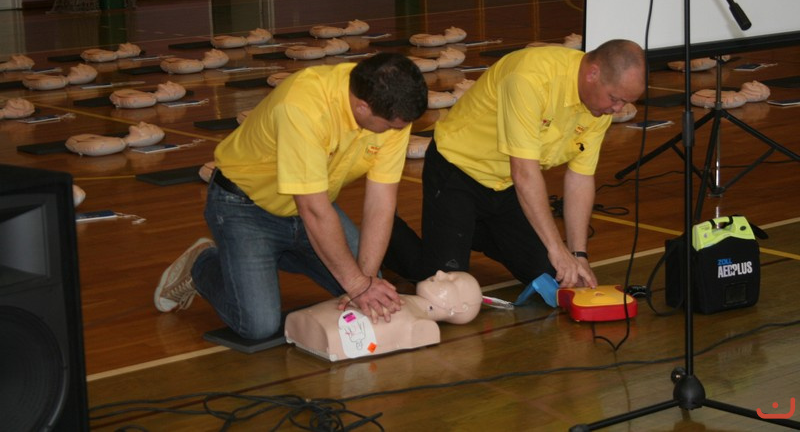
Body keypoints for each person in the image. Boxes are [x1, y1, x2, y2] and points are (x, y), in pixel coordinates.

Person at [154, 52, 429, 340]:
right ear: (363, 106)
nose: (398, 131)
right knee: (258, 325)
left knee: (372, 297)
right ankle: (201, 264)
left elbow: (380, 202)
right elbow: (314, 210)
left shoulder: (388, 104)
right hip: (244, 209)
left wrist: (367, 280)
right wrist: (357, 284)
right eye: (392, 126)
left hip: (310, 209)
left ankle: (269, 257)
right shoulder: (304, 105)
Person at [384, 40, 646, 289]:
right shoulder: (530, 78)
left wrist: (578, 255)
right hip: (458, 172)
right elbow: (525, 173)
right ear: (593, 73)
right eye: (615, 98)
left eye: (625, 102)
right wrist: (557, 248)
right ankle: (385, 232)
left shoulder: (599, 106)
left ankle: (467, 230)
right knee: (444, 287)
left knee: (555, 277)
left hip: (507, 187)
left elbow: (580, 178)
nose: (618, 109)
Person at [284, 270, 482, 361]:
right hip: (316, 324)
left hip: (328, 335)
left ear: (459, 308)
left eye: (451, 280)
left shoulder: (423, 325)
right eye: (447, 273)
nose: (439, 273)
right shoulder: (397, 296)